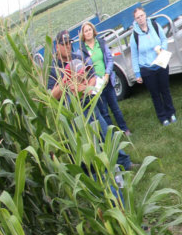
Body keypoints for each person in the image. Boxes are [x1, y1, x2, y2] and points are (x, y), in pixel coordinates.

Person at [47, 30, 132, 172]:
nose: (68, 46)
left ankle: (124, 162)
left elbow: (92, 76)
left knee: (106, 134)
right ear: (57, 46)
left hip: (90, 106)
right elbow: (52, 95)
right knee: (85, 144)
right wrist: (66, 80)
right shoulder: (53, 68)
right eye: (64, 44)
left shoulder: (78, 57)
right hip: (73, 114)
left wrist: (84, 88)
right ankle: (96, 172)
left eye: (69, 43)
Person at [80, 22, 130, 136]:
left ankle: (124, 129)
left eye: (89, 30)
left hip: (107, 81)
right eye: (85, 31)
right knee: (104, 111)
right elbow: (84, 68)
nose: (88, 32)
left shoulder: (101, 43)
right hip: (96, 85)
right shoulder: (82, 50)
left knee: (115, 108)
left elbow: (109, 59)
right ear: (83, 34)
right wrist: (95, 79)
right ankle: (111, 135)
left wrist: (107, 74)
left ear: (93, 31)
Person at [130, 7, 177, 126]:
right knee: (155, 94)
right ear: (135, 20)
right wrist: (137, 73)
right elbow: (134, 55)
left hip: (161, 64)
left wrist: (162, 49)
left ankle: (171, 113)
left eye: (141, 16)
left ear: (145, 15)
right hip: (147, 68)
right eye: (137, 18)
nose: (140, 19)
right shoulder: (134, 35)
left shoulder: (155, 26)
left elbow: (164, 40)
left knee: (165, 90)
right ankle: (162, 117)